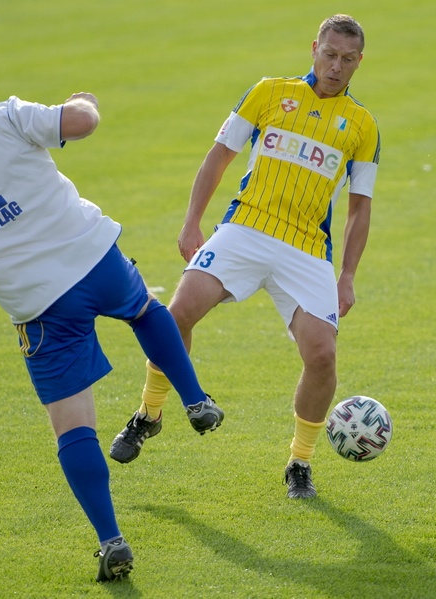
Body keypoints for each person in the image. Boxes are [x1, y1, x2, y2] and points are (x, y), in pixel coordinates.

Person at [0, 62, 223, 582]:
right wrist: (85, 101)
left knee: (73, 427)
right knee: (145, 311)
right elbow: (82, 123)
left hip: (37, 304)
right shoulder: (4, 116)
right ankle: (195, 400)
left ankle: (111, 539)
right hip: (91, 257)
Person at [112, 14, 380, 499]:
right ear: (313, 48)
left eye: (347, 59)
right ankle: (149, 414)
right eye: (329, 54)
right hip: (245, 230)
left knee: (322, 355)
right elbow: (219, 155)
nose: (336, 66)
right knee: (175, 315)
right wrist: (193, 221)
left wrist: (348, 276)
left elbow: (360, 209)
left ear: (359, 61)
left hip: (306, 250)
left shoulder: (362, 126)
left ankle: (299, 463)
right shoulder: (268, 93)